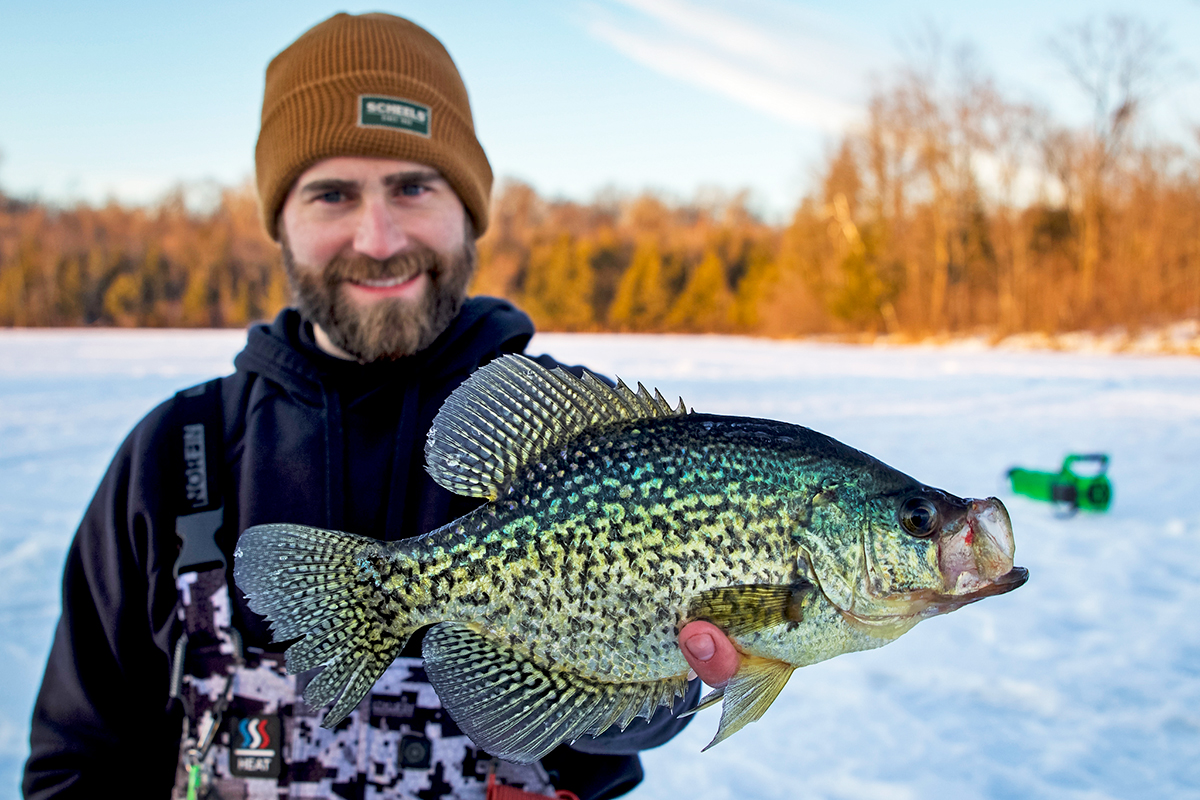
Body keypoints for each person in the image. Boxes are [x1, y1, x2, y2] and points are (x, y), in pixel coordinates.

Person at [23, 12, 739, 800]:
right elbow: (76, 767)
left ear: (468, 208)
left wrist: (643, 680)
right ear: (281, 223)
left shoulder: (585, 438)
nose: (378, 236)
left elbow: (612, 752)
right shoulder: (174, 456)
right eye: (332, 194)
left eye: (412, 186)